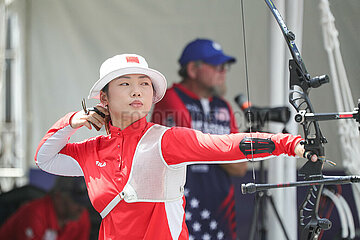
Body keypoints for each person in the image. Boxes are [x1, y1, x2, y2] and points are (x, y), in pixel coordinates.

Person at [34, 53, 315, 240]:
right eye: (125, 83)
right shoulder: (91, 150)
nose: (137, 90)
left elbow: (226, 145)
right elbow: (44, 158)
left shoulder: (165, 140)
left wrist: (292, 144)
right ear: (104, 99)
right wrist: (73, 121)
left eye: (144, 84)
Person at [152, 38, 247, 239]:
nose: (223, 72)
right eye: (216, 66)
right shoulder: (171, 98)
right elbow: (189, 148)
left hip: (220, 208)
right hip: (184, 207)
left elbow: (240, 167)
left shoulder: (224, 106)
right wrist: (224, 147)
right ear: (193, 70)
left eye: (225, 67)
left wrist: (210, 145)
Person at [0, 176, 91, 240]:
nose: (82, 208)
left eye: (84, 203)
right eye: (76, 202)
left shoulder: (81, 216)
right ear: (58, 197)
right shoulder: (35, 214)